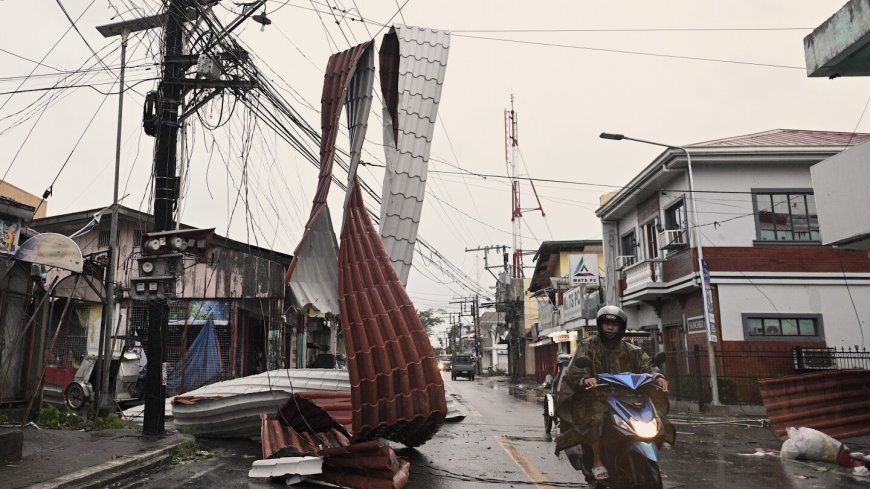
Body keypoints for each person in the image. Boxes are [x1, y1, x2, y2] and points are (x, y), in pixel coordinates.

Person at [554, 305, 669, 481]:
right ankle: (598, 460)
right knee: (596, 417)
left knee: (654, 417)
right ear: (600, 325)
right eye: (606, 324)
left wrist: (658, 376)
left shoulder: (632, 350)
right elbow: (575, 368)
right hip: (597, 396)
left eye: (613, 325)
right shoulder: (588, 346)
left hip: (627, 398)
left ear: (621, 327)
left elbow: (648, 365)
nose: (609, 328)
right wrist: (585, 379)